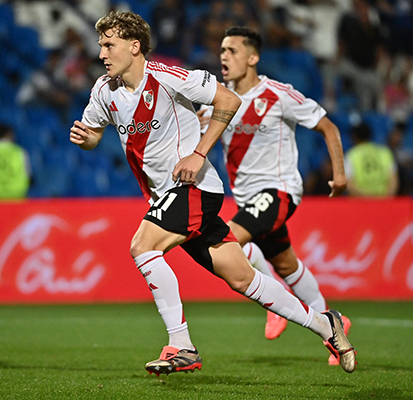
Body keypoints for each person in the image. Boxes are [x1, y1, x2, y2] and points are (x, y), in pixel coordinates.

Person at [69, 10, 356, 376]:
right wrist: (87, 139)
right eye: (101, 46)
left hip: (193, 189)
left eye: (109, 45)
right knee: (243, 279)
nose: (102, 54)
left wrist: (199, 152)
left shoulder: (168, 78)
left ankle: (181, 345)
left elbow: (228, 101)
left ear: (134, 45)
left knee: (142, 246)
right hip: (166, 196)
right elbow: (94, 134)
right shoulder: (104, 91)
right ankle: (325, 324)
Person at [197, 26, 349, 365]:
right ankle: (333, 324)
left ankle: (273, 304)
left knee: (227, 242)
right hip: (247, 199)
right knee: (286, 263)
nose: (224, 56)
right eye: (222, 50)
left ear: (253, 57)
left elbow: (328, 126)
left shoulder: (278, 94)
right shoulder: (219, 102)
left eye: (232, 50)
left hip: (278, 192)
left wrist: (339, 173)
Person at [345, 122, 398, 197]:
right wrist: (385, 198)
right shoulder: (385, 152)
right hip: (384, 202)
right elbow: (393, 181)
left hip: (361, 203)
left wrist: (368, 198)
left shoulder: (351, 155)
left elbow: (349, 184)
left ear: (354, 138)